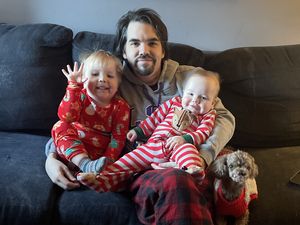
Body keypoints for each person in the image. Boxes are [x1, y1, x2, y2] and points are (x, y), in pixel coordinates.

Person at [45, 8, 236, 225]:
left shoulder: (191, 79)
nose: (143, 50)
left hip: (183, 162)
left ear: (163, 50)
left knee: (182, 181)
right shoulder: (111, 80)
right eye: (135, 43)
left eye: (152, 43)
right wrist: (51, 159)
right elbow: (77, 120)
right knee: (176, 182)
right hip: (138, 170)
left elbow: (223, 117)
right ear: (124, 52)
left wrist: (202, 157)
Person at [77, 68, 221, 192]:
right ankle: (101, 181)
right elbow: (155, 118)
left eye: (203, 97)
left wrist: (184, 139)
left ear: (213, 102)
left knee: (189, 151)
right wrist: (139, 131)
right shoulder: (174, 103)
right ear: (183, 93)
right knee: (127, 161)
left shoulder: (208, 115)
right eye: (190, 94)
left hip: (179, 148)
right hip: (153, 146)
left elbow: (203, 133)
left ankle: (192, 172)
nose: (195, 100)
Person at [51, 50, 130, 173]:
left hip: (97, 159)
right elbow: (67, 117)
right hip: (70, 150)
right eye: (94, 74)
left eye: (109, 76)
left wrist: (107, 161)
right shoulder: (80, 96)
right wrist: (73, 87)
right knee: (60, 125)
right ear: (83, 79)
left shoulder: (121, 107)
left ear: (118, 82)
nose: (102, 79)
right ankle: (84, 165)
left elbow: (118, 139)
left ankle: (87, 171)